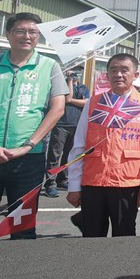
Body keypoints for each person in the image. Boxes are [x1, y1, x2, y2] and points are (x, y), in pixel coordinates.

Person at [0, 12, 68, 240]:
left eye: (33, 32)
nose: (27, 36)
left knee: (22, 228)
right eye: (21, 31)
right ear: (8, 34)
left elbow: (57, 109)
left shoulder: (49, 67)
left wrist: (29, 145)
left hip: (27, 160)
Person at [66, 54, 140, 237]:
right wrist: (74, 186)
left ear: (135, 75)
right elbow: (79, 145)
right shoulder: (94, 102)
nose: (118, 74)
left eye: (124, 70)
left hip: (127, 182)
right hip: (93, 181)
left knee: (124, 236)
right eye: (113, 70)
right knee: (91, 237)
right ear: (107, 75)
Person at [43, 67, 90, 198]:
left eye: (78, 73)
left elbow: (86, 102)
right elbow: (67, 98)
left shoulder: (83, 88)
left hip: (76, 125)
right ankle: (50, 183)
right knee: (54, 155)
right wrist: (69, 80)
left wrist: (74, 101)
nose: (76, 75)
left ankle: (63, 179)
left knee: (69, 155)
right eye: (74, 72)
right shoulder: (61, 86)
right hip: (61, 125)